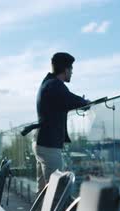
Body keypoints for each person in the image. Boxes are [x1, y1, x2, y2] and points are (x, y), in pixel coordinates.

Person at [33, 52, 90, 192]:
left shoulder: (48, 83)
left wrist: (79, 102)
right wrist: (86, 103)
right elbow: (71, 99)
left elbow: (66, 100)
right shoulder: (55, 85)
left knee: (43, 190)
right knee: (56, 191)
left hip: (42, 142)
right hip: (49, 146)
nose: (72, 73)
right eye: (71, 70)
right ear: (66, 70)